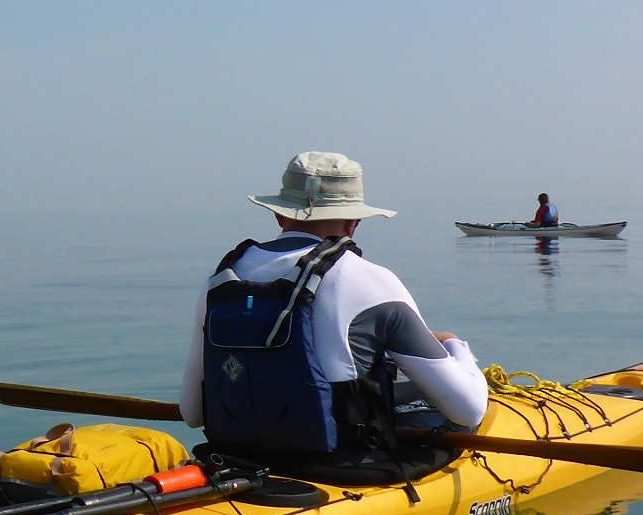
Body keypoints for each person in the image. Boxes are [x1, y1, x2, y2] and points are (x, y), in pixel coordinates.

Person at [179, 152, 488, 468]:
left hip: (237, 461)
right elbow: (469, 409)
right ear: (354, 223)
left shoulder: (220, 281)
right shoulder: (373, 280)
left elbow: (191, 414)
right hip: (340, 467)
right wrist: (454, 345)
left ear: (278, 216)